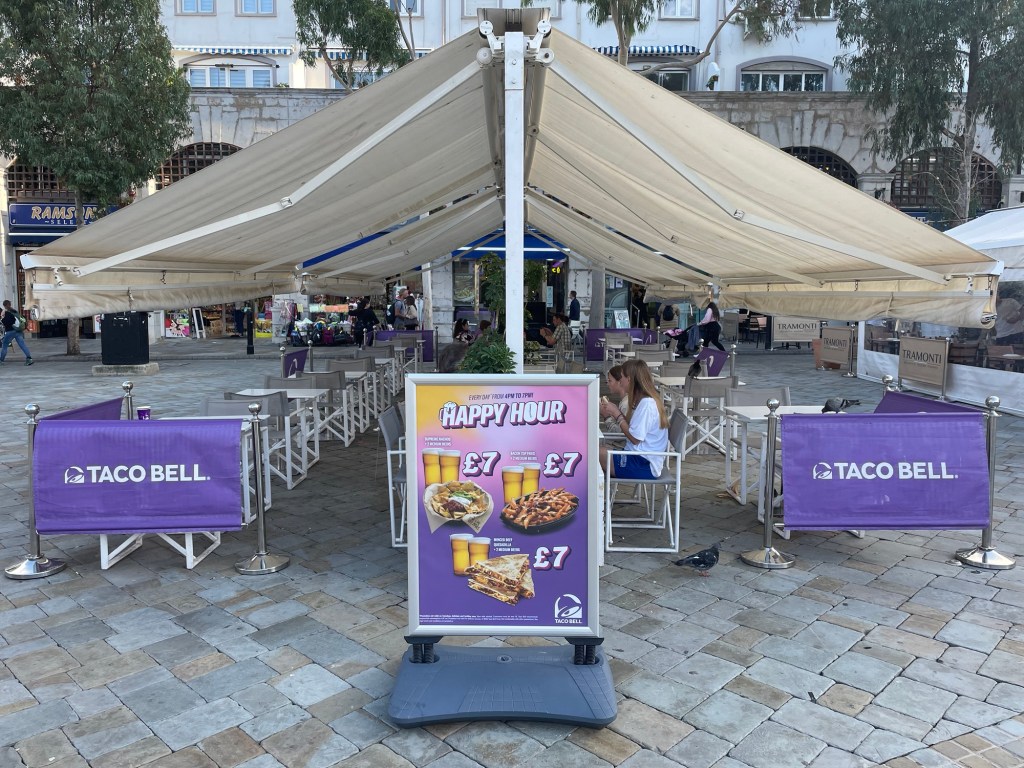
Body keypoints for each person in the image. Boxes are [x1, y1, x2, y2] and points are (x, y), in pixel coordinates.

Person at [598, 359, 668, 478]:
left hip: (643, 464)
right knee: (593, 449)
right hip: (640, 458)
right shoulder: (646, 400)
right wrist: (616, 412)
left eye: (622, 377)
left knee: (590, 452)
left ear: (629, 379)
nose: (620, 381)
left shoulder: (646, 404)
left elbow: (635, 439)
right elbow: (634, 430)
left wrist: (616, 413)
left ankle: (594, 488)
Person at [1, 300, 33, 366]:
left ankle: (1, 360)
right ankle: (29, 358)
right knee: (22, 345)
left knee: (4, 345)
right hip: (18, 331)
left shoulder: (6, 313)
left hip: (10, 331)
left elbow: (7, 323)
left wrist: (2, 319)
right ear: (10, 304)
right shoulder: (15, 311)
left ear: (4, 305)